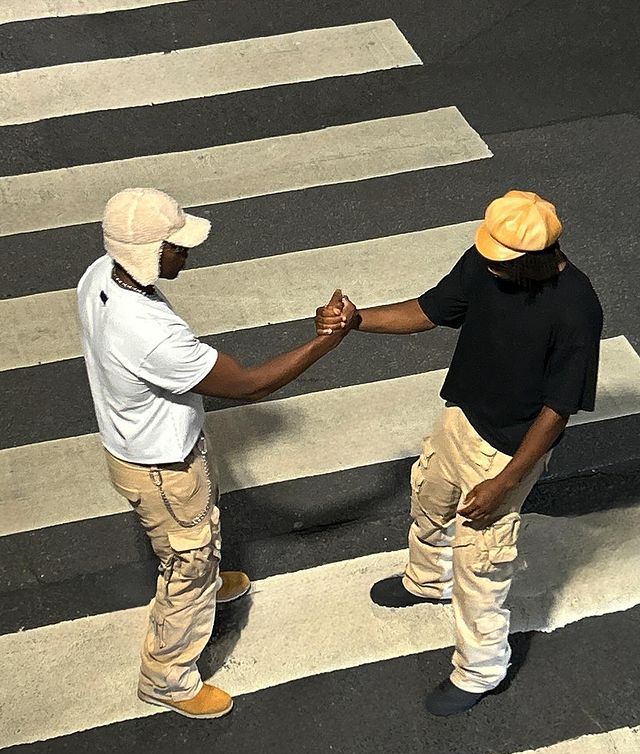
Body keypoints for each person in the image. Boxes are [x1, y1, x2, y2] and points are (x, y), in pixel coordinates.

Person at [316, 190, 603, 716]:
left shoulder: (576, 308)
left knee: (482, 564)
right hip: (460, 416)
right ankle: (426, 581)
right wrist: (357, 321)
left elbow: (558, 410)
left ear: (538, 259)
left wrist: (506, 483)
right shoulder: (488, 260)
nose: (490, 268)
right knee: (428, 495)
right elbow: (427, 311)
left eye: (502, 264)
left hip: (507, 451)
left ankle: (481, 669)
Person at [78, 188, 352, 720]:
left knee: (196, 532)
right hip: (161, 467)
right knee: (188, 562)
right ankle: (168, 678)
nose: (188, 253)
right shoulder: (150, 335)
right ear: (147, 253)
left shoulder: (99, 274)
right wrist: (324, 340)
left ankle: (205, 579)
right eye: (177, 246)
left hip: (148, 448)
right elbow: (248, 385)